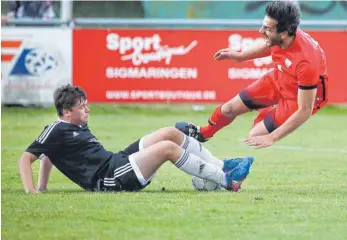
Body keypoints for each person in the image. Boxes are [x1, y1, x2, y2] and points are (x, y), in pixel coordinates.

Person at [18, 84, 254, 194]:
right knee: (167, 148)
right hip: (108, 179)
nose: (87, 110)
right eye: (82, 107)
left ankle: (221, 166)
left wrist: (44, 186)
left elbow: (50, 155)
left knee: (170, 133)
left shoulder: (75, 124)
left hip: (115, 161)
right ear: (66, 112)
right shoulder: (55, 130)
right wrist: (32, 190)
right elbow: (26, 159)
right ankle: (225, 180)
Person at [176, 1, 328, 149]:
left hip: (298, 97)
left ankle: (269, 109)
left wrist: (272, 137)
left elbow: (305, 110)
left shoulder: (306, 62)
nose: (261, 31)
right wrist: (240, 56)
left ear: (283, 33)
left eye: (267, 28)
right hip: (280, 78)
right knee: (229, 108)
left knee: (254, 135)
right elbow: (268, 45)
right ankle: (203, 134)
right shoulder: (283, 37)